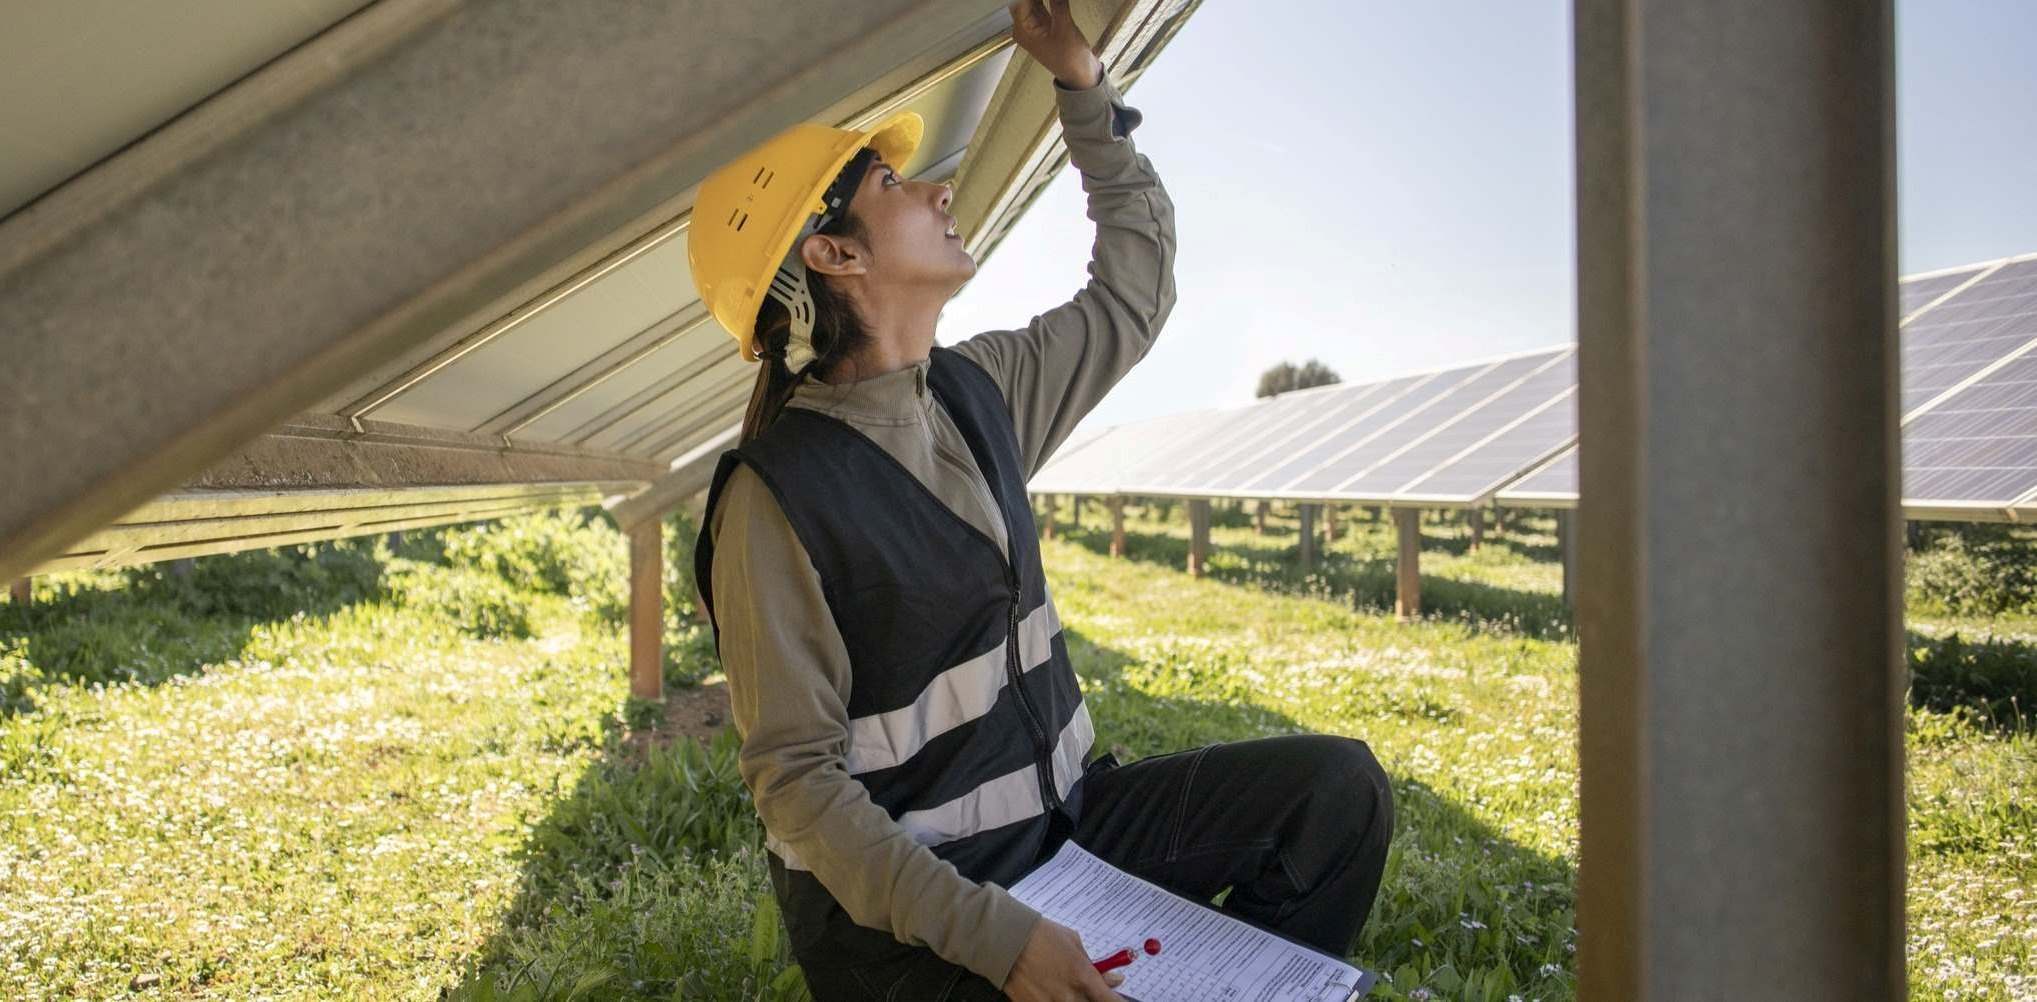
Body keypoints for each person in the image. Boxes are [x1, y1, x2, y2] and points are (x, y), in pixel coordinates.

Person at [687, 3, 1394, 999]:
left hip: (1071, 835)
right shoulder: (775, 501)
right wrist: (1000, 938)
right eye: (893, 185)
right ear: (833, 255)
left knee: (1336, 794)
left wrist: (1084, 89)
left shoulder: (980, 392)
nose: (936, 190)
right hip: (926, 929)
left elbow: (1133, 295)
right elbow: (798, 788)